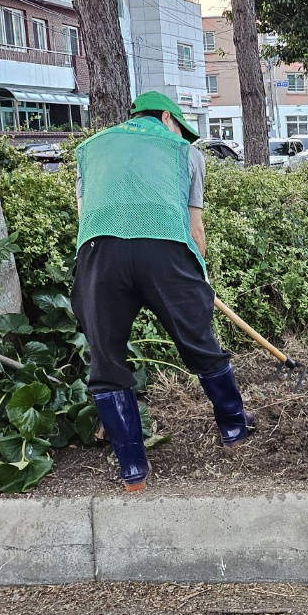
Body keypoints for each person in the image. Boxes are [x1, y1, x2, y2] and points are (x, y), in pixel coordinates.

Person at [72, 91, 254, 493]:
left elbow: (85, 215)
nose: (184, 135)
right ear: (169, 118)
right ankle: (234, 428)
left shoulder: (89, 150)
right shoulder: (185, 153)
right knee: (199, 342)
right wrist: (200, 277)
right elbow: (195, 228)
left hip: (99, 253)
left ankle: (133, 469)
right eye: (181, 128)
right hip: (165, 250)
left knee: (106, 359)